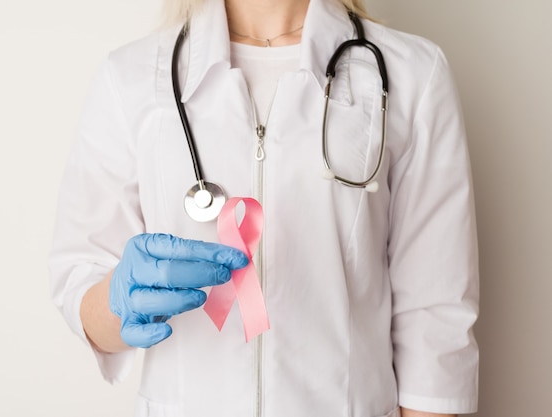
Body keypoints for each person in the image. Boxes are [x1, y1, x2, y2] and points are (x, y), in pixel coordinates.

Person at [48, 0, 479, 416]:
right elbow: (80, 288)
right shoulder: (130, 78)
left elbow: (435, 318)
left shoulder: (414, 75)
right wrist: (122, 301)